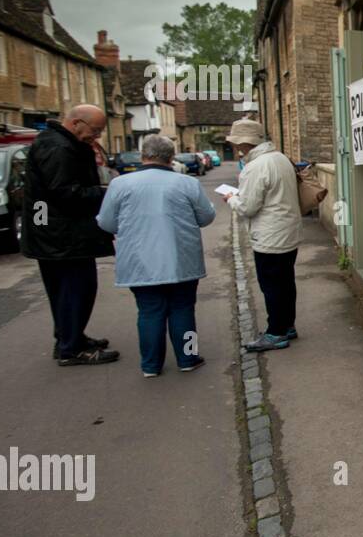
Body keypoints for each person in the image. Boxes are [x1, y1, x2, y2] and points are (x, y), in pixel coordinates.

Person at [96, 134, 216, 377]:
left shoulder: (120, 184)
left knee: (149, 312)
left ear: (143, 156)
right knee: (183, 310)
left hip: (140, 260)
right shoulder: (187, 183)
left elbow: (106, 222)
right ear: (171, 157)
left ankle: (150, 365)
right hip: (181, 259)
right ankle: (188, 357)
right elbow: (206, 217)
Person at [21, 105, 119, 366]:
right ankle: (71, 349)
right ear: (76, 123)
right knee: (77, 289)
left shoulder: (55, 142)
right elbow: (66, 193)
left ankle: (70, 338)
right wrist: (106, 191)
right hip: (63, 236)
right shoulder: (60, 148)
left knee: (66, 291)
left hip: (56, 234)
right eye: (94, 131)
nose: (96, 137)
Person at [222, 119, 300, 352]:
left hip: (269, 236)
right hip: (288, 230)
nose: (236, 148)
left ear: (243, 144)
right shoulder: (280, 158)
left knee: (272, 286)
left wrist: (231, 199)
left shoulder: (255, 167)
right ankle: (287, 325)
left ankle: (275, 332)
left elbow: (248, 208)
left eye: (237, 143)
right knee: (286, 282)